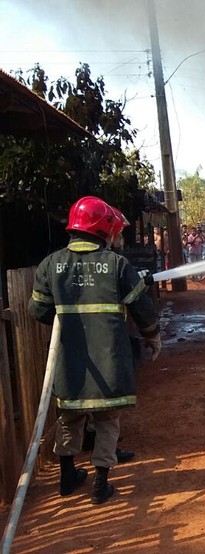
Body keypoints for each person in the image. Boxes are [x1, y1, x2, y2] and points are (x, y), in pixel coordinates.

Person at [28, 196, 162, 505]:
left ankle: (66, 477)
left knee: (69, 417)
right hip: (109, 358)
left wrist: (69, 321)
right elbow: (142, 308)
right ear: (104, 228)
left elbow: (37, 309)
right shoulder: (116, 264)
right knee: (106, 419)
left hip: (70, 359)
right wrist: (152, 336)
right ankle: (101, 483)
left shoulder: (51, 264)